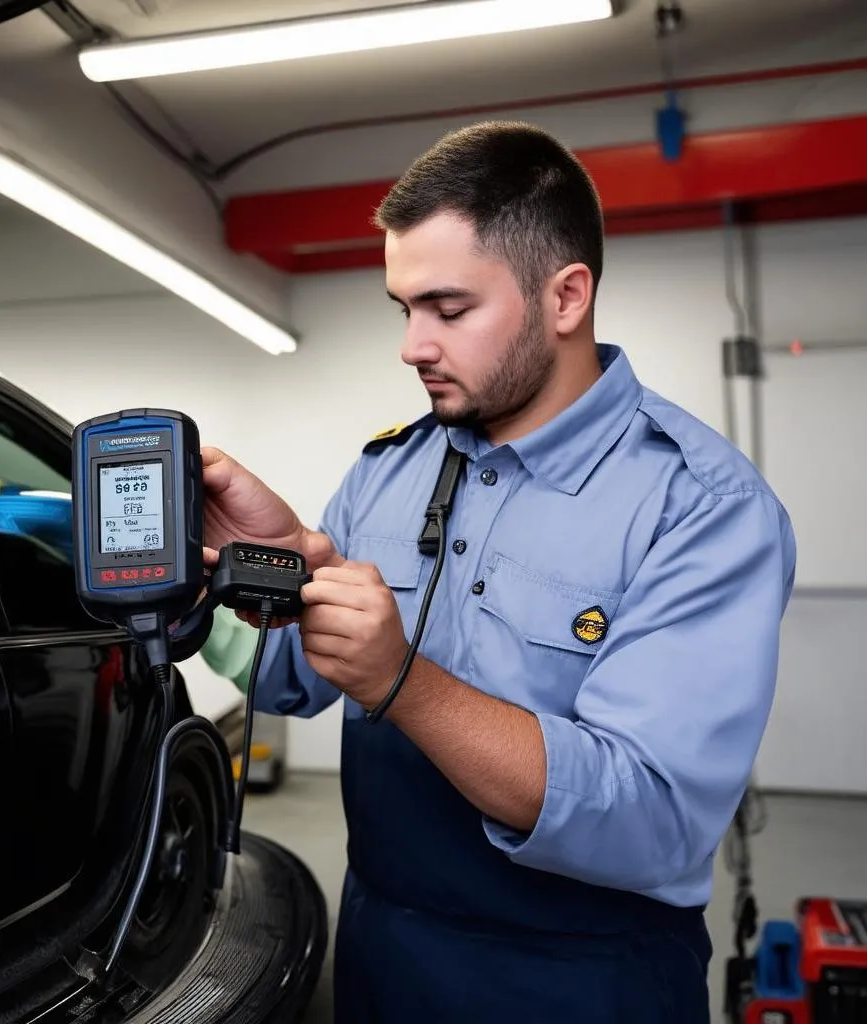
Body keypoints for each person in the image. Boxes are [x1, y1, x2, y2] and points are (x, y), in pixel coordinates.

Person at [197, 120, 797, 1023]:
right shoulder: (389, 470)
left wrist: (404, 681)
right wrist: (267, 570)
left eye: (448, 308)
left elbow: (653, 819)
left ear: (565, 297)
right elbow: (286, 683)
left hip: (580, 979)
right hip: (383, 952)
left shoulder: (700, 508)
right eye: (404, 309)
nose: (413, 345)